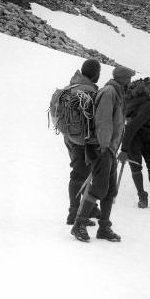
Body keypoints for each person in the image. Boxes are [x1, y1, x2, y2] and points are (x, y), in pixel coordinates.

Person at [71, 65, 135, 242]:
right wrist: (105, 145)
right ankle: (79, 224)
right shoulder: (109, 92)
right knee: (100, 186)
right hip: (101, 146)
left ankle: (104, 227)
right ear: (123, 79)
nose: (131, 81)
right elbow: (103, 120)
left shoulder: (116, 91)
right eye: (129, 78)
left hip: (109, 148)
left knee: (110, 189)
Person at [64, 59, 102, 226]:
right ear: (96, 74)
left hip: (70, 135)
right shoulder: (89, 91)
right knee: (79, 174)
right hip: (83, 140)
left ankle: (90, 208)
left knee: (84, 172)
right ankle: (74, 213)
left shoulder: (71, 86)